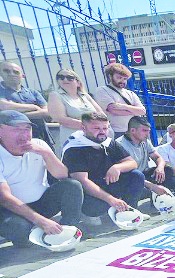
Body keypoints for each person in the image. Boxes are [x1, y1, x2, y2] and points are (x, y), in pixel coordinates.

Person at [0, 110, 83, 247]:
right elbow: (5, 198)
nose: (24, 134)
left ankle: (68, 230)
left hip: (40, 202)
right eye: (17, 129)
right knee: (19, 228)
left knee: (72, 185)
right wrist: (41, 221)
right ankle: (27, 238)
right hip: (10, 210)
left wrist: (45, 153)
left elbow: (61, 175)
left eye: (27, 129)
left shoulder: (39, 144)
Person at [62, 112, 144, 219]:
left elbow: (132, 163)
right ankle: (90, 216)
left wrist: (117, 167)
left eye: (105, 128)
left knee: (136, 176)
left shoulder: (109, 143)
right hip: (88, 193)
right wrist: (111, 199)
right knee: (97, 207)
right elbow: (83, 181)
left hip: (106, 183)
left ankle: (128, 212)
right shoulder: (74, 148)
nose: (102, 132)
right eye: (96, 128)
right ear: (83, 128)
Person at [47, 69, 106, 158]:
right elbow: (60, 119)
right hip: (75, 141)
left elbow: (102, 115)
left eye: (69, 77)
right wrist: (91, 127)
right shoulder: (55, 95)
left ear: (78, 82)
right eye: (61, 77)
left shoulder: (85, 96)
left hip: (95, 138)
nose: (65, 80)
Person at [115, 116, 170, 199]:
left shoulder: (145, 141)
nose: (148, 134)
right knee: (137, 177)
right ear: (133, 130)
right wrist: (152, 186)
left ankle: (160, 199)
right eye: (144, 131)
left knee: (167, 170)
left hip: (143, 174)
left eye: (148, 131)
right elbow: (127, 174)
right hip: (130, 178)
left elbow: (158, 157)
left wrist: (160, 168)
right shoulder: (120, 144)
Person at [0, 61, 52, 148]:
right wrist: (33, 107)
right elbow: (3, 106)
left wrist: (15, 114)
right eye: (6, 71)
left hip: (41, 135)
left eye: (16, 72)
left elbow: (47, 112)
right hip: (11, 141)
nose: (11, 74)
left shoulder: (33, 92)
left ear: (23, 76)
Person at [93, 63, 146, 139]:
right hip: (117, 132)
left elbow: (142, 111)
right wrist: (134, 111)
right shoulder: (102, 90)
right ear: (110, 77)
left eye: (125, 79)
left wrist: (122, 106)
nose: (122, 81)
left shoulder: (130, 93)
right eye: (119, 77)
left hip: (136, 131)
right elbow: (113, 110)